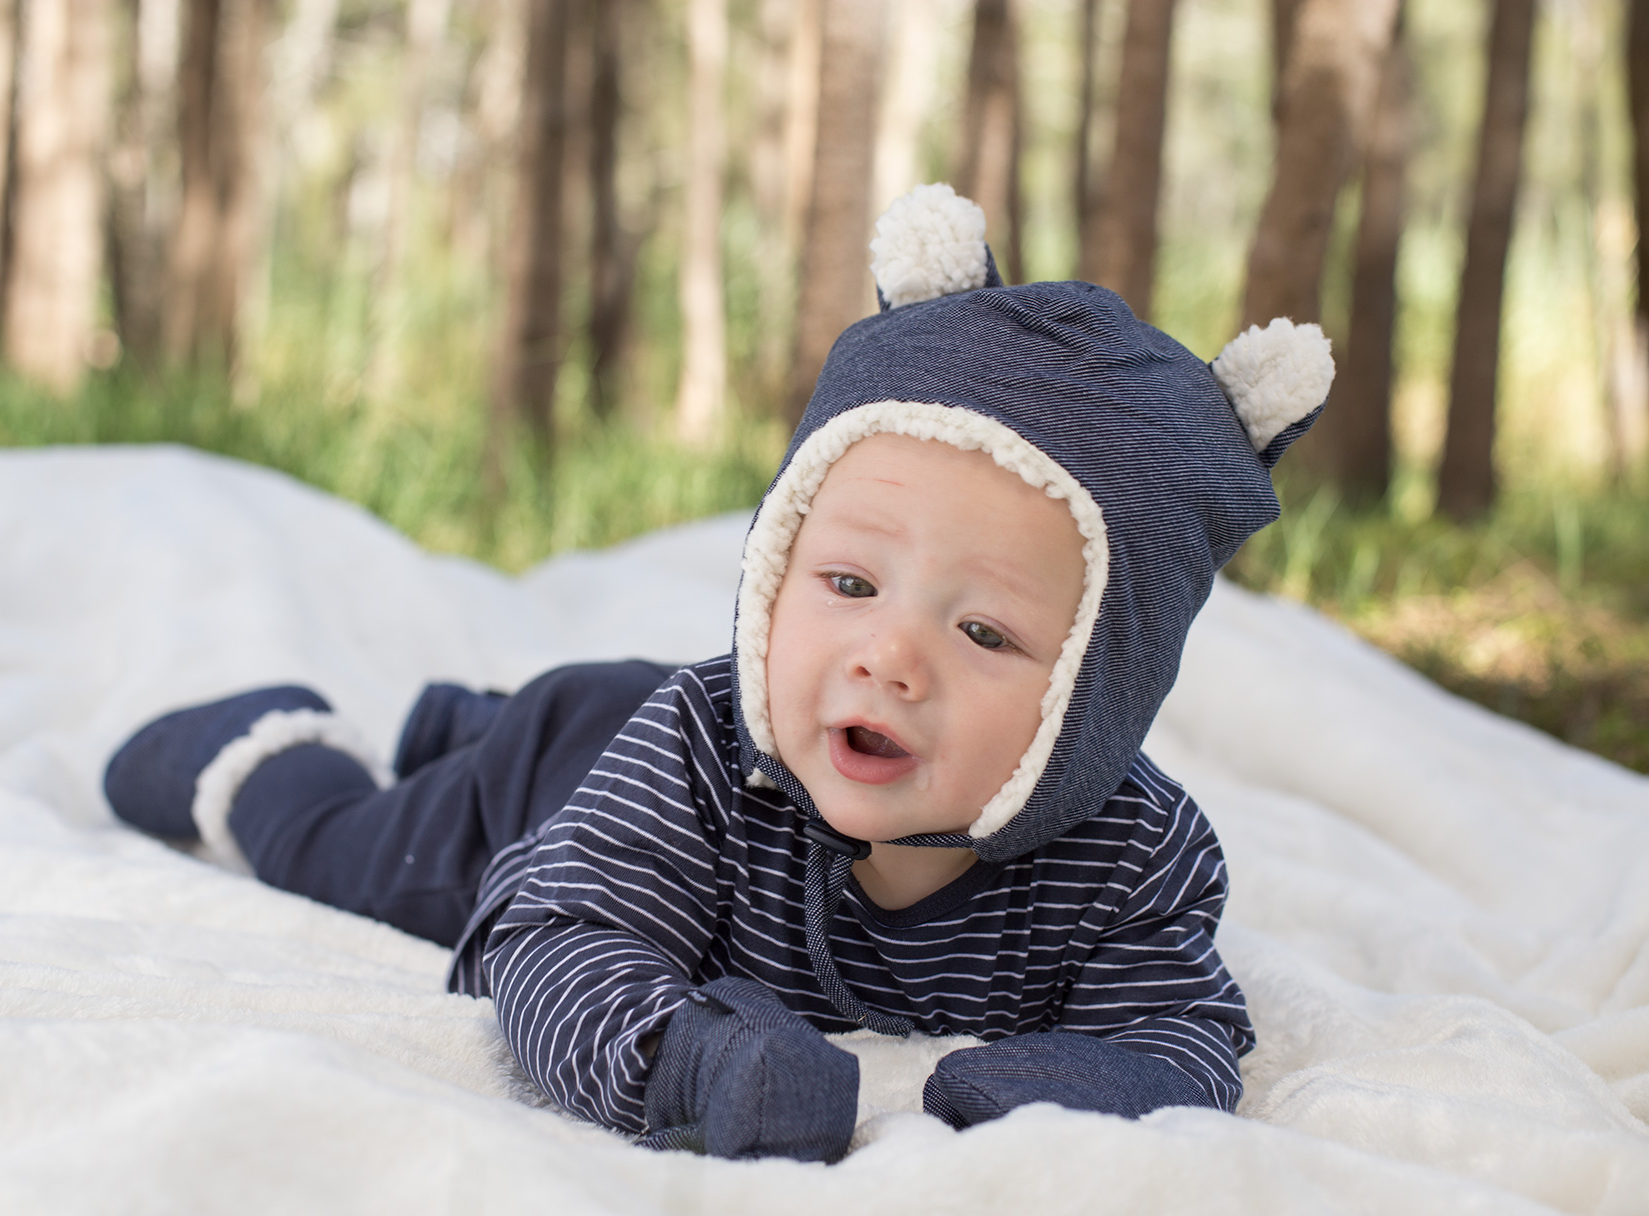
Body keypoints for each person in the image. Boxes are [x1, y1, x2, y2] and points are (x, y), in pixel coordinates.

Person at [103, 184, 1334, 1165]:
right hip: (572, 773)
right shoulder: (698, 750)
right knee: (361, 855)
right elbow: (555, 940)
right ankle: (276, 746)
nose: (888, 655)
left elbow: (1180, 1029)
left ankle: (461, 720)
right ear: (774, 569)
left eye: (986, 635)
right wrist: (684, 1063)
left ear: (1103, 699)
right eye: (848, 585)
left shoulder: (1131, 854)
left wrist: (1079, 1086)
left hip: (630, 738)